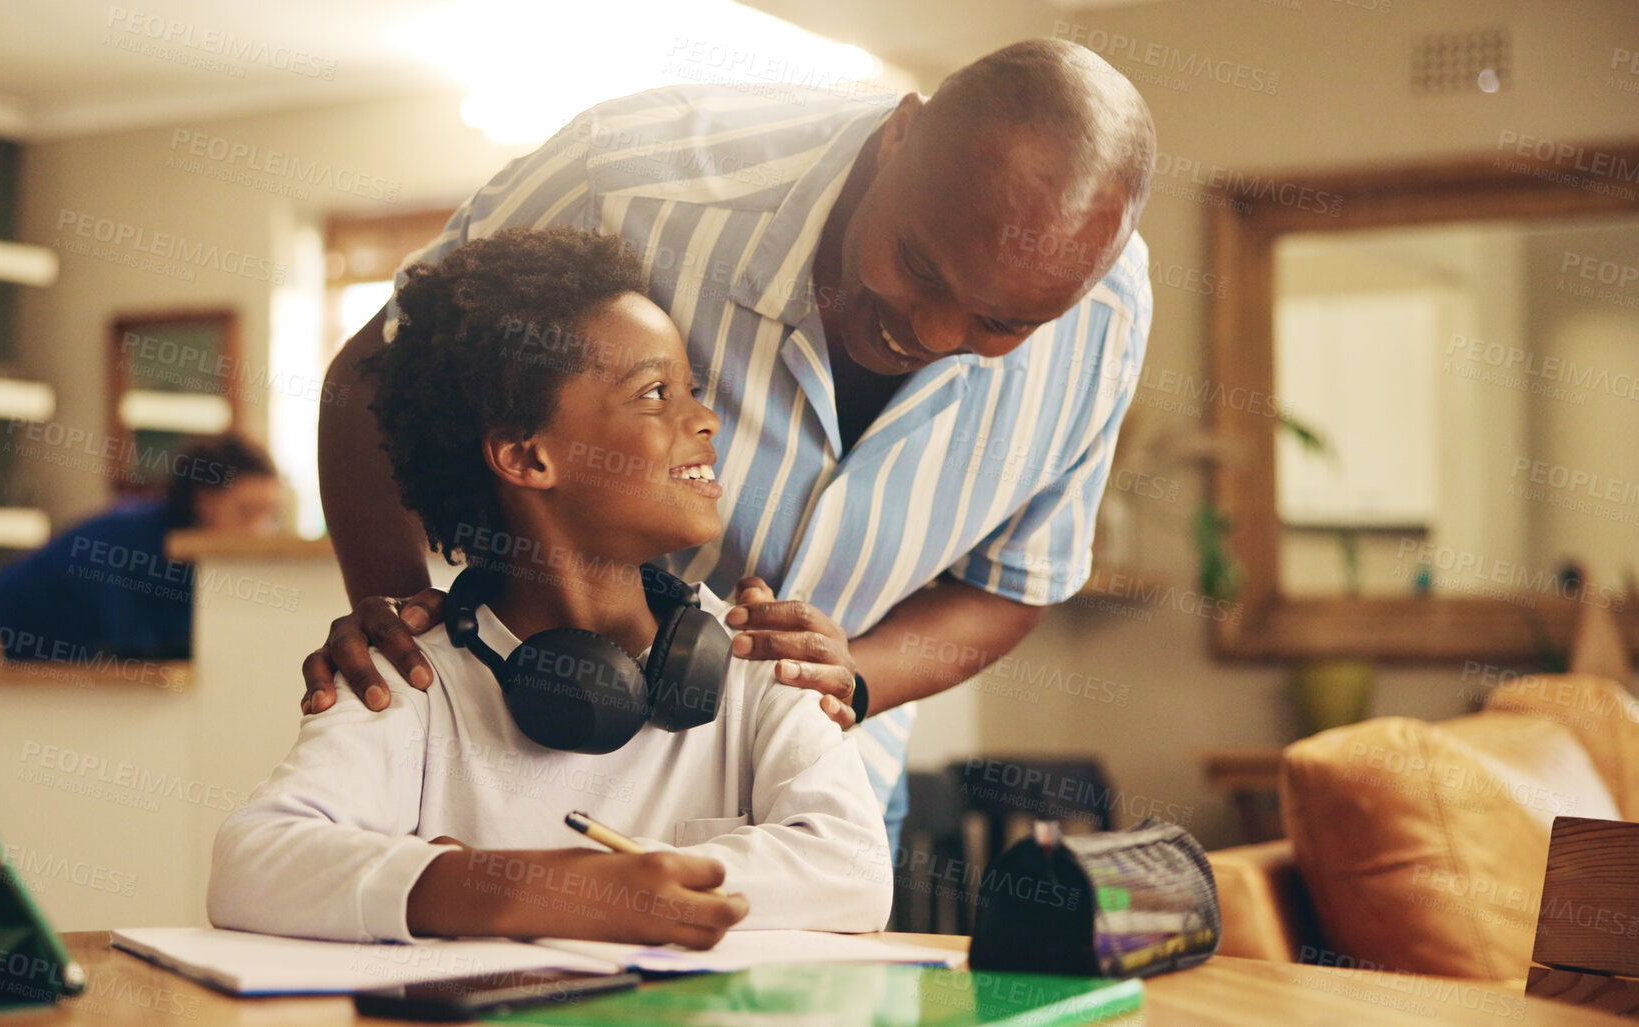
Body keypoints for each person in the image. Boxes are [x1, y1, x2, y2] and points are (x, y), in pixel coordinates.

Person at [308, 38, 1158, 857]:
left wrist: (849, 680)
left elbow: (1010, 586)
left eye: (1001, 323)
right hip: (524, 745)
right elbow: (381, 374)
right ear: (899, 134)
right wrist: (401, 626)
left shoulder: (1103, 320)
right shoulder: (623, 176)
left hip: (829, 770)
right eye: (920, 266)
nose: (932, 333)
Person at [208, 228, 890, 947]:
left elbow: (853, 867)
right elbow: (250, 862)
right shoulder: (412, 677)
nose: (704, 419)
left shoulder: (760, 655)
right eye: (656, 393)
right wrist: (545, 892)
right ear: (526, 455)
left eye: (694, 390)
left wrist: (618, 887)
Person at [0, 433, 281, 662]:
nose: (260, 531)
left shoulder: (203, 559)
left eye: (269, 514)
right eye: (246, 512)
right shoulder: (128, 537)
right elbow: (128, 647)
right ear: (203, 501)